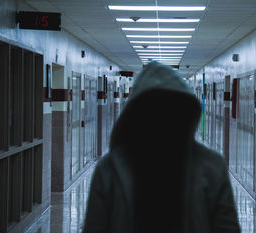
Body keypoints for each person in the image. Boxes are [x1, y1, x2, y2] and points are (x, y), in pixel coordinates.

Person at [83, 61, 240, 233]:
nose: (162, 120)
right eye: (153, 110)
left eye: (170, 110)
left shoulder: (212, 167)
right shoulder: (110, 169)